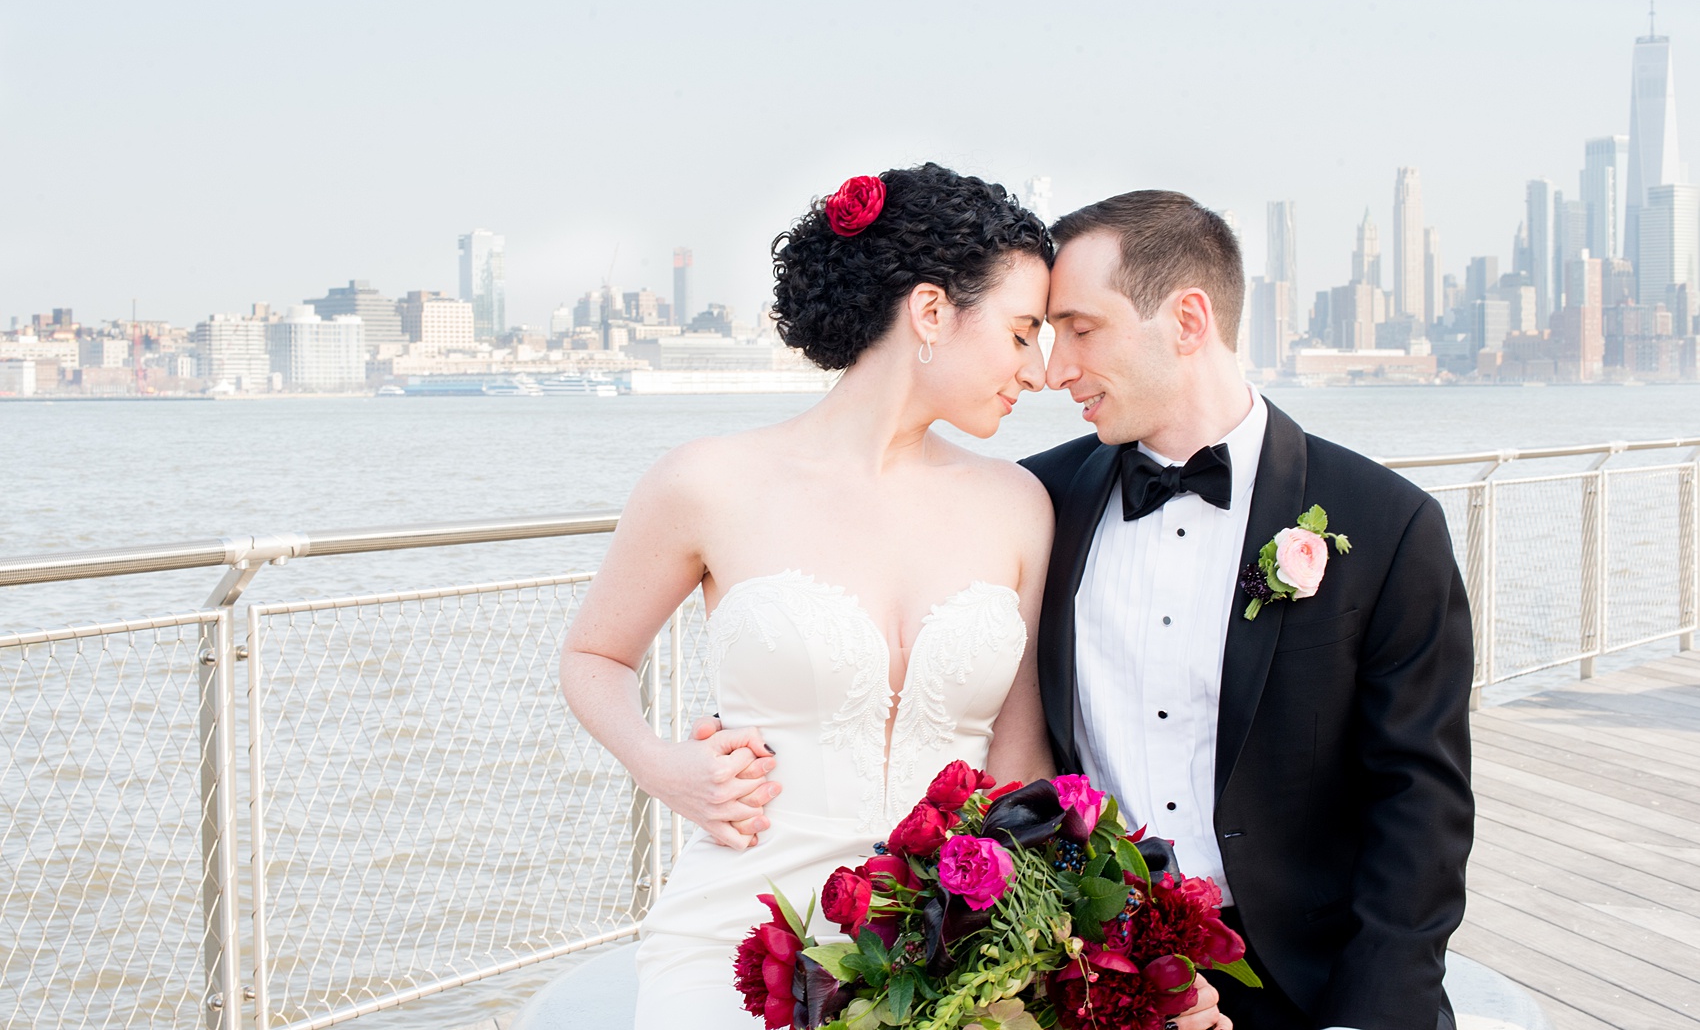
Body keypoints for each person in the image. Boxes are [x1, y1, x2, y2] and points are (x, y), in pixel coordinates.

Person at [559, 165, 1226, 1029]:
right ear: (932, 312)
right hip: (736, 928)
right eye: (1023, 331)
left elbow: (1016, 766)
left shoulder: (1017, 504)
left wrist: (1090, 962)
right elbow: (593, 656)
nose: (1040, 368)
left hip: (945, 952)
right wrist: (663, 767)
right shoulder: (708, 482)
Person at [1020, 191, 1475, 1030]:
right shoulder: (1035, 502)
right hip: (1094, 977)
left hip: (1314, 986)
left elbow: (1419, 801)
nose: (1055, 369)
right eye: (1048, 336)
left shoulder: (1388, 523)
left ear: (1188, 319)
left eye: (1080, 329)